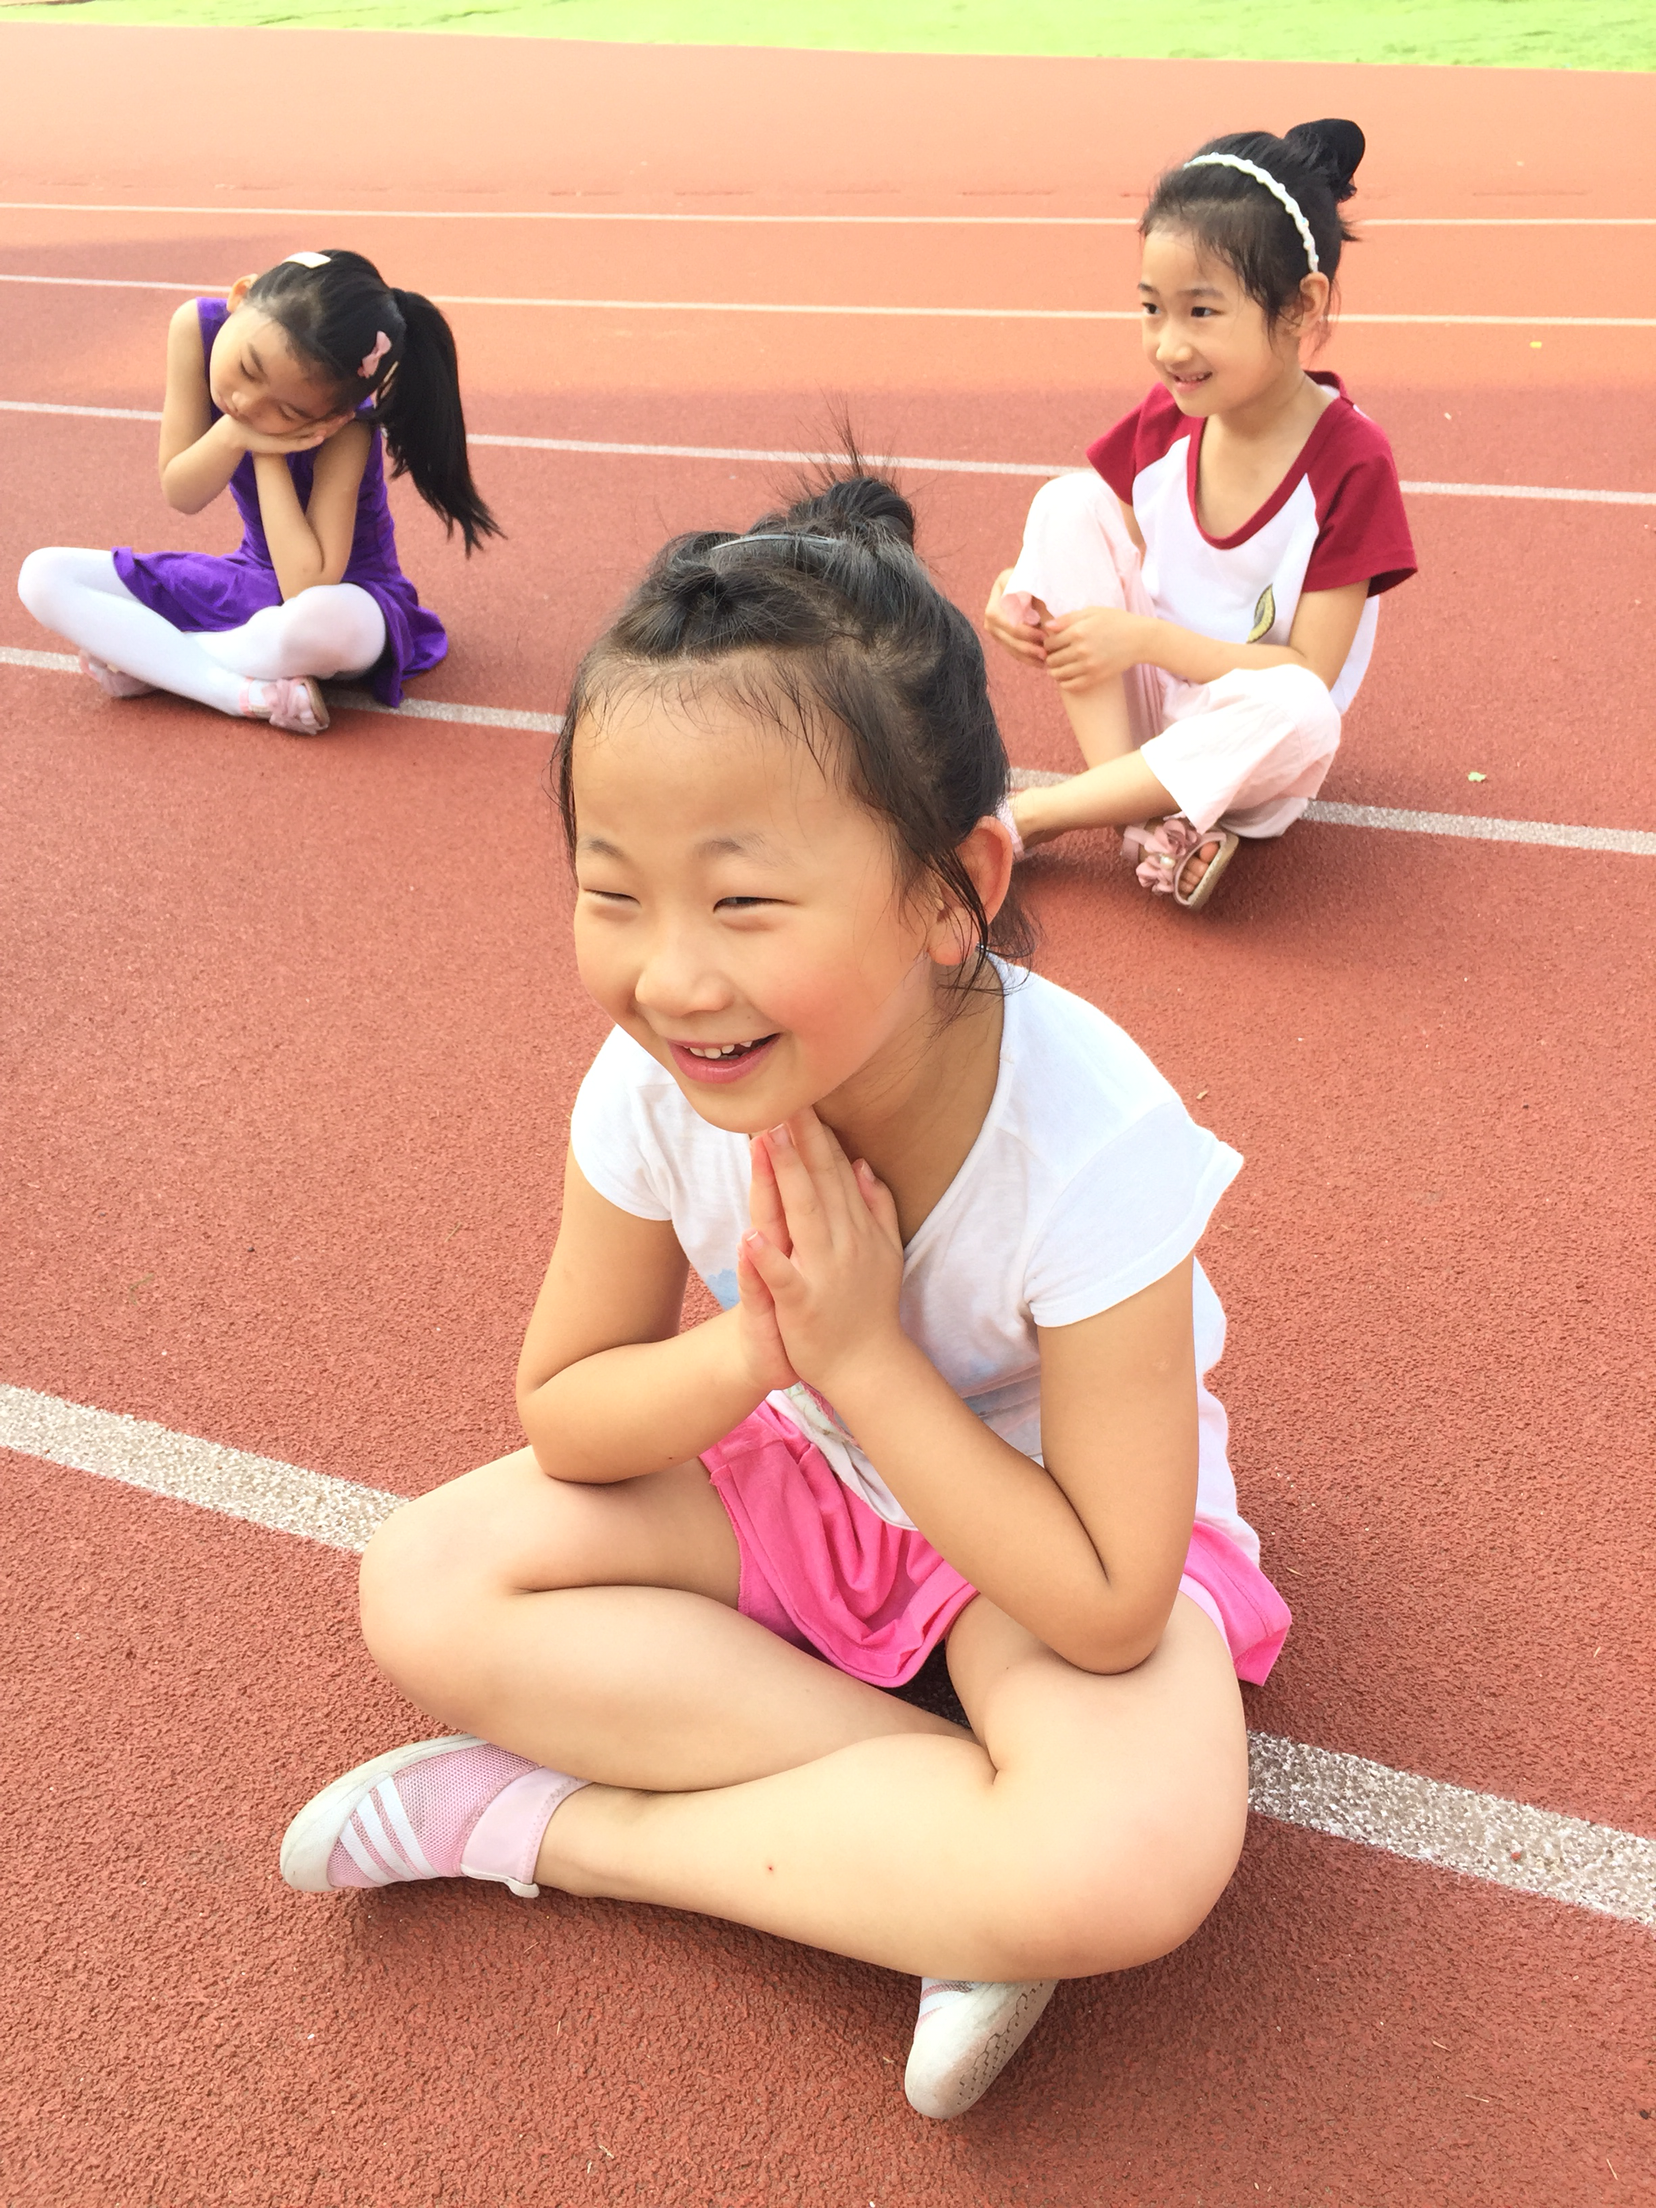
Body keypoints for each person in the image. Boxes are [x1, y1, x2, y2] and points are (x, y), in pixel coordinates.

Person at [278, 473, 1291, 2121]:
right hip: (808, 1464)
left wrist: (862, 1357)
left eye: (743, 900)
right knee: (428, 1583)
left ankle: (546, 1827)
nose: (673, 975)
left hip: (1032, 1525)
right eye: (614, 891)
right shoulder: (653, 1083)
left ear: (952, 890)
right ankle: (946, 1860)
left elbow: (1111, 1602)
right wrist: (760, 1348)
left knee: (1130, 1856)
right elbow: (570, 1412)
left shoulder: (1093, 1135)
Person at [987, 121, 1415, 909]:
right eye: (1152, 308)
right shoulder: (1171, 419)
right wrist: (1021, 591)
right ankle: (1141, 814)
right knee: (1067, 501)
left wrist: (1143, 640)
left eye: (1202, 312)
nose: (1169, 345)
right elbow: (1100, 545)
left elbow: (1308, 672)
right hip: (1149, 709)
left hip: (1244, 741)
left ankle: (1038, 817)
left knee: (1304, 711)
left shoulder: (1351, 460)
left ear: (1301, 306)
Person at [17, 249, 498, 734]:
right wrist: (236, 434)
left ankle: (158, 664)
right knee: (43, 575)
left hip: (350, 598)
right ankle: (235, 690)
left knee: (313, 625)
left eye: (288, 412)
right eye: (249, 368)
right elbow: (181, 491)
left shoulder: (351, 428)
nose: (246, 402)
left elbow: (307, 584)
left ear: (333, 418)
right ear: (241, 295)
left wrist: (269, 453)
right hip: (252, 578)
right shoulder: (195, 328)